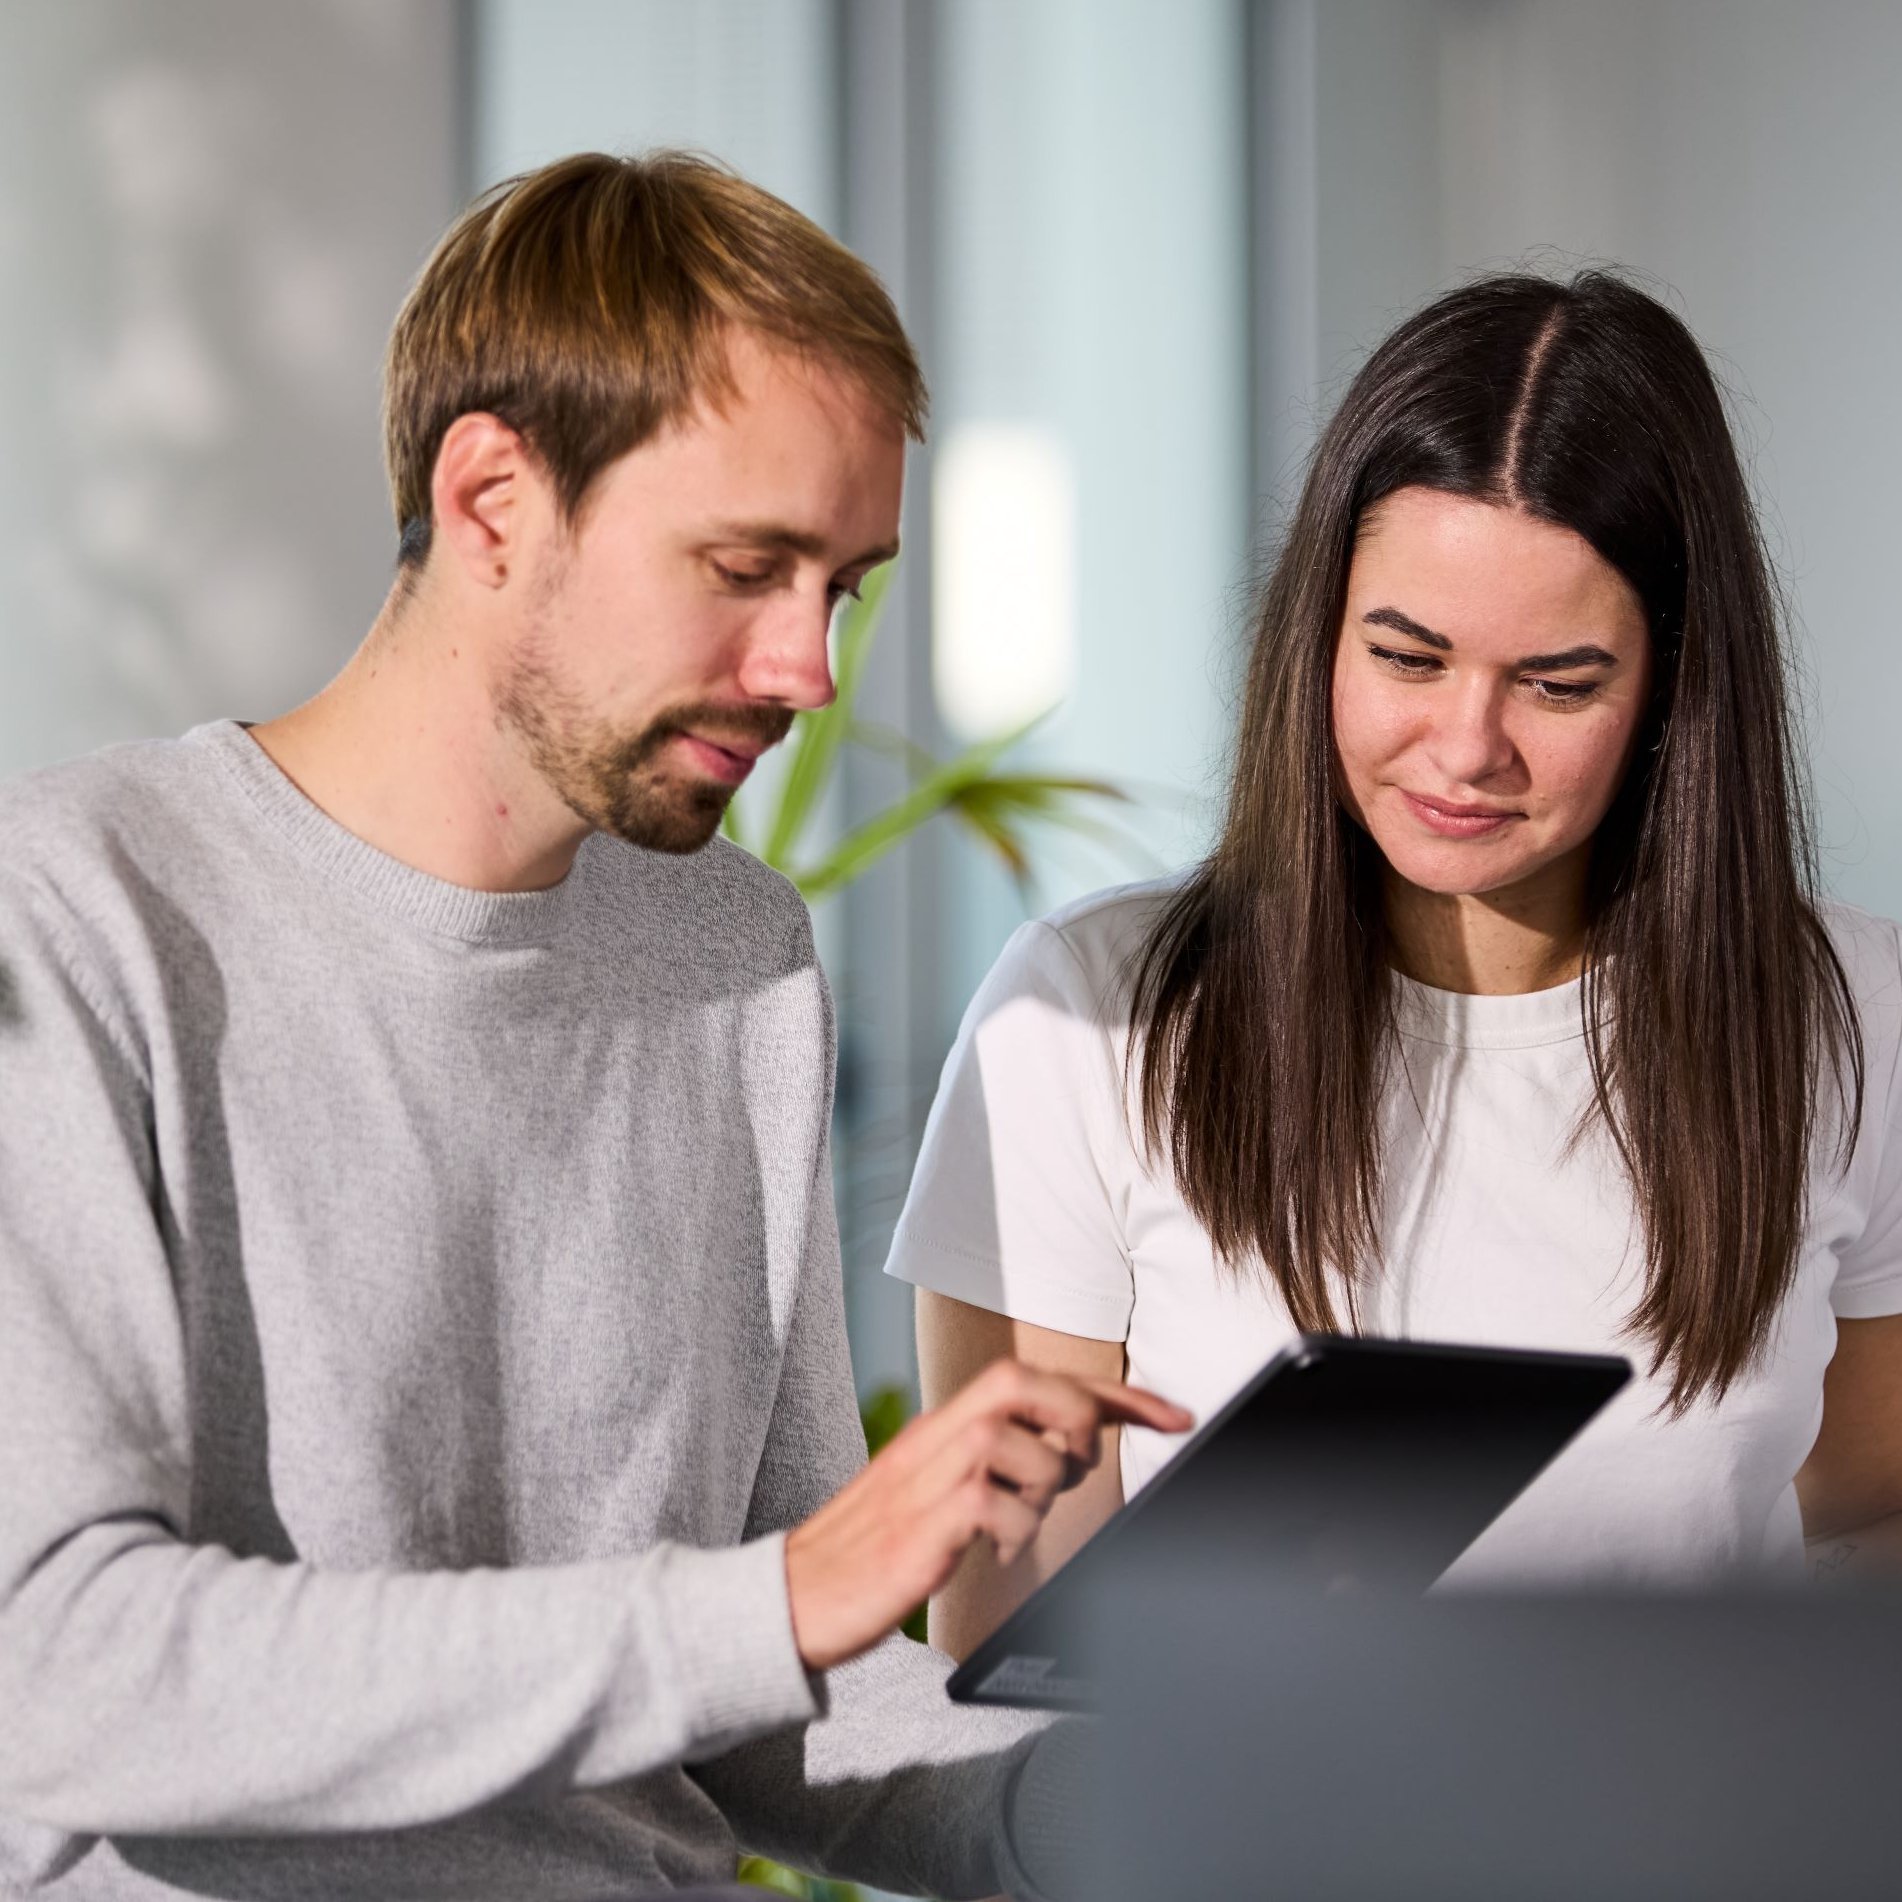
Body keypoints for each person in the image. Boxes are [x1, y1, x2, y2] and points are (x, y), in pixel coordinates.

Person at [0, 151, 1188, 1901]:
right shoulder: (80, 913)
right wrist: (766, 1606)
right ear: (490, 498)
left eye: (842, 583)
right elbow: (61, 1673)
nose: (809, 669)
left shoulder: (735, 954)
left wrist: (1181, 1811)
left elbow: (779, 1692)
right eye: (746, 565)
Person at [891, 270, 1902, 1663]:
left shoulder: (1850, 1017)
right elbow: (1001, 1647)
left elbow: (1863, 1513)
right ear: (1316, 633)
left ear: (1672, 685)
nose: (1465, 747)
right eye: (1405, 656)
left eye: (1555, 682)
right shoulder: (1087, 1019)